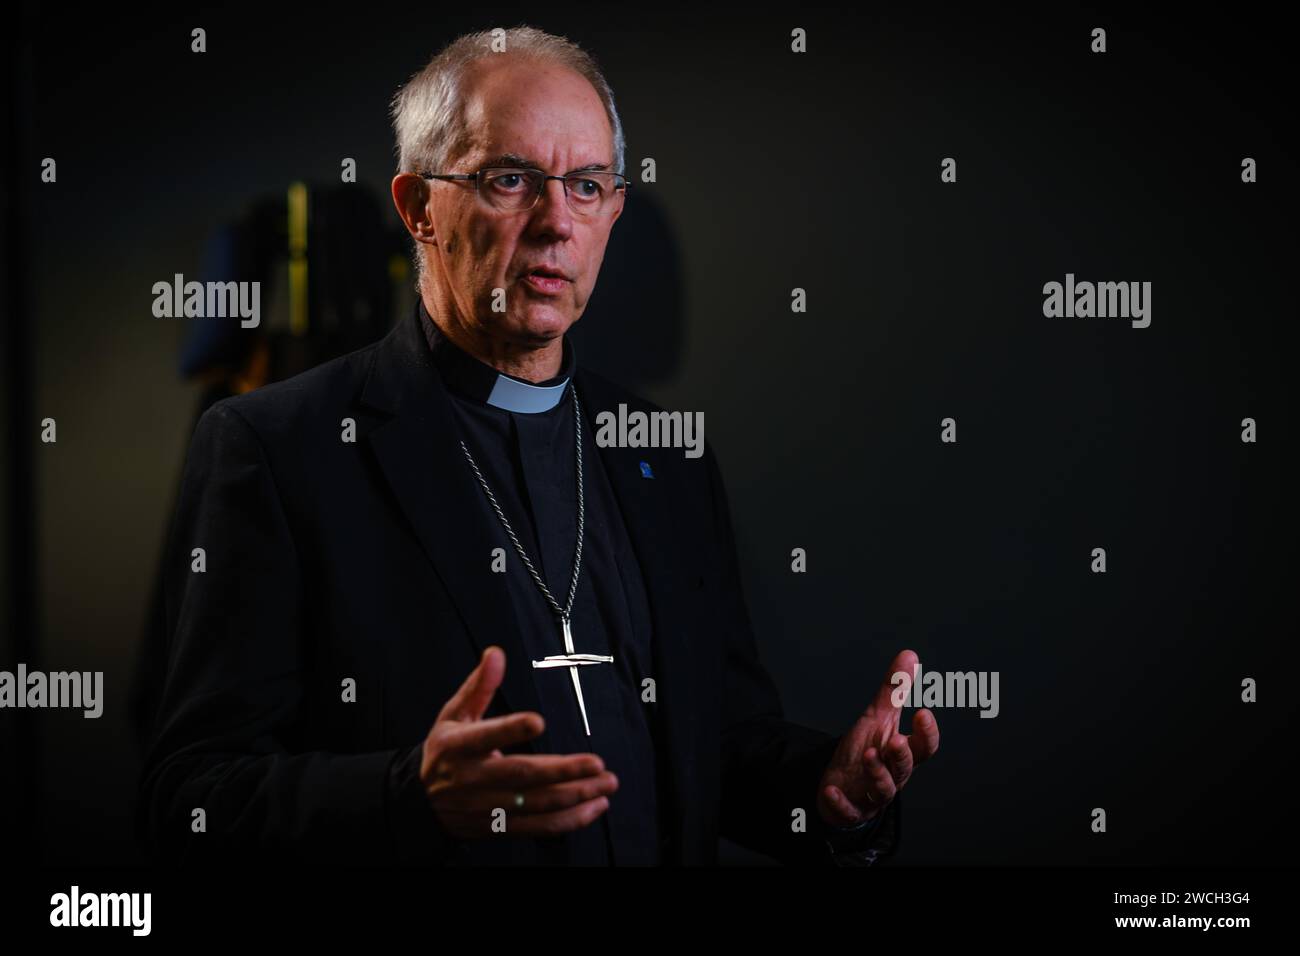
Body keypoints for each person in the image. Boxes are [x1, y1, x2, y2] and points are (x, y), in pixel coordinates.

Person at [137, 25, 939, 866]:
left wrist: (827, 793)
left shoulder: (666, 454)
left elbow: (725, 744)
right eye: (510, 180)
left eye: (587, 186)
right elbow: (188, 799)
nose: (557, 222)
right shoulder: (277, 449)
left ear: (613, 211)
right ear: (419, 209)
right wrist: (409, 795)